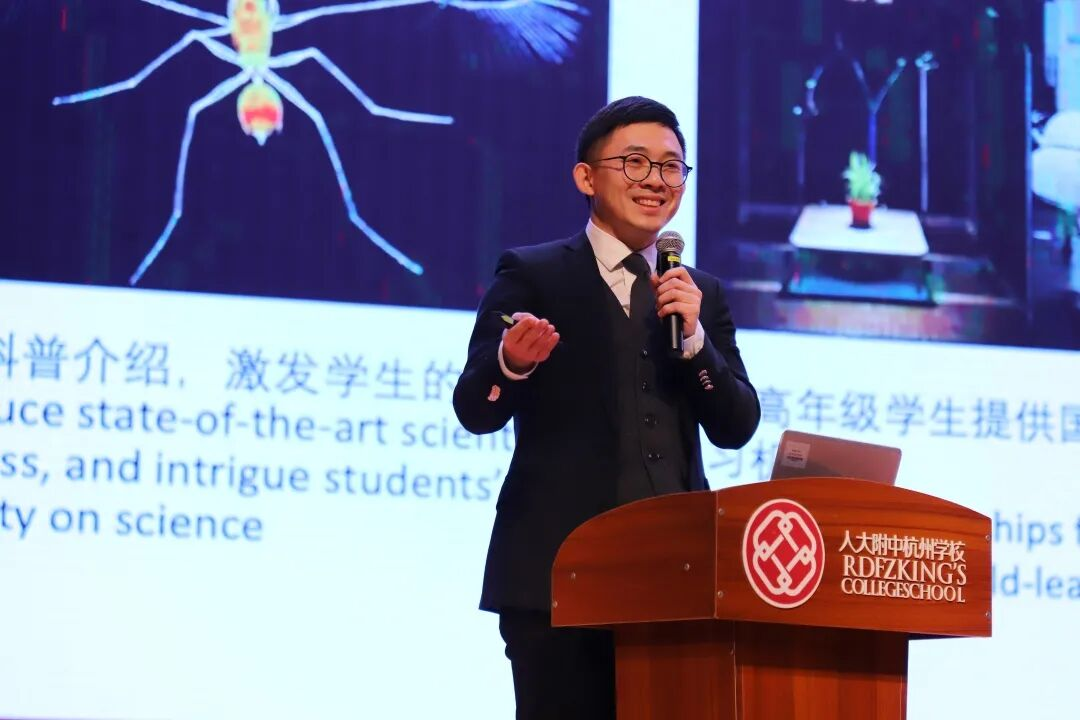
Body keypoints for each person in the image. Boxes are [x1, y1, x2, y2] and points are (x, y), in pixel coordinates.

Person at [452, 96, 760, 719]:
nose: (656, 180)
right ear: (586, 177)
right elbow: (475, 408)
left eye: (671, 167)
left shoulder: (699, 292)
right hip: (557, 577)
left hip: (676, 581)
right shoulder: (534, 274)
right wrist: (512, 363)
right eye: (636, 162)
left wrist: (695, 342)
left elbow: (736, 425)